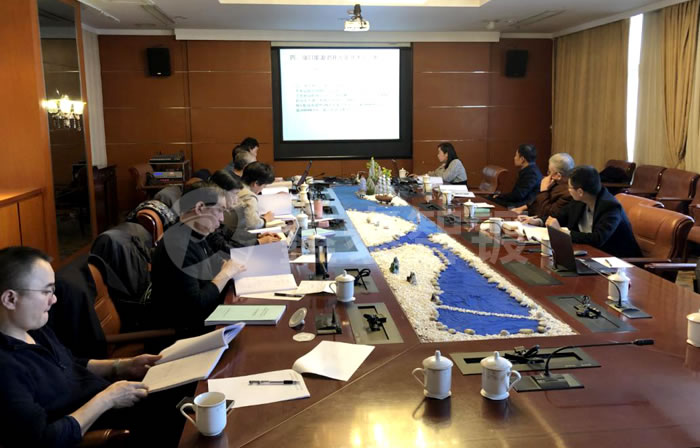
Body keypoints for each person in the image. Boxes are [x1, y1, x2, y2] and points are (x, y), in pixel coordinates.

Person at [0, 246, 161, 447]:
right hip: (103, 428)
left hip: (111, 401)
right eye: (46, 291)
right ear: (10, 299)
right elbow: (45, 440)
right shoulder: (6, 369)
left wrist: (122, 366)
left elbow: (70, 364)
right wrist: (107, 399)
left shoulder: (34, 328)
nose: (54, 299)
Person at [150, 182, 245, 332]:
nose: (222, 219)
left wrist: (227, 267)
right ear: (200, 208)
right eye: (219, 210)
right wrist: (226, 274)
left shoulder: (194, 232)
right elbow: (195, 306)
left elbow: (215, 262)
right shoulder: (178, 246)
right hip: (186, 332)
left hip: (207, 318)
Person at [525, 165, 642, 258]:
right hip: (588, 253)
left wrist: (561, 232)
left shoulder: (610, 207)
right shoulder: (580, 200)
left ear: (580, 192)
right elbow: (560, 216)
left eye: (570, 187)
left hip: (616, 260)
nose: (568, 190)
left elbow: (598, 239)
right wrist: (538, 221)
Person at [207, 170, 280, 250]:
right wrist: (258, 242)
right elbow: (223, 246)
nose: (236, 201)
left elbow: (229, 233)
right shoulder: (209, 216)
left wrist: (257, 236)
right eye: (235, 194)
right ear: (222, 193)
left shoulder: (216, 211)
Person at [514, 153, 575, 219]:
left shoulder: (568, 193)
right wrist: (523, 208)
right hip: (533, 216)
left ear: (558, 176)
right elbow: (537, 201)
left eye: (549, 171)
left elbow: (549, 214)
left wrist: (543, 191)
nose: (547, 174)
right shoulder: (556, 182)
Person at [491, 144, 543, 208]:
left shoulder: (531, 173)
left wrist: (501, 197)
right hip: (518, 202)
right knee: (490, 199)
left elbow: (518, 196)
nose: (514, 158)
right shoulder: (530, 170)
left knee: (491, 201)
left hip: (521, 207)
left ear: (522, 159)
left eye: (516, 155)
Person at [235, 162, 276, 231]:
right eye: (263, 186)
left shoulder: (235, 186)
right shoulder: (249, 197)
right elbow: (253, 224)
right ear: (256, 183)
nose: (261, 190)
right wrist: (265, 219)